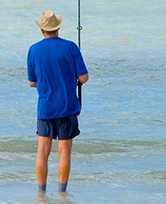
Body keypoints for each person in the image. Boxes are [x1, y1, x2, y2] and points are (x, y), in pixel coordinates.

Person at [27, 10, 89, 193]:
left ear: (42, 29)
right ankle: (62, 193)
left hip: (45, 108)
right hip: (67, 107)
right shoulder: (70, 47)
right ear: (58, 28)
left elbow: (31, 82)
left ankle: (41, 193)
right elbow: (84, 77)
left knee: (42, 152)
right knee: (64, 153)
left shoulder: (34, 49)